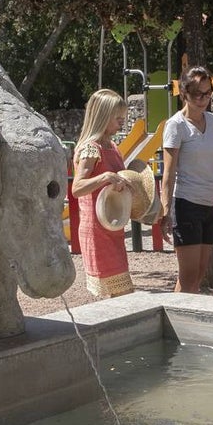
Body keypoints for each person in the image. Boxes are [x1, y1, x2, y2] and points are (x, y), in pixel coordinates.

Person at [160, 66, 213, 292]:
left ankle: (177, 316)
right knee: (188, 276)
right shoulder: (176, 126)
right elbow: (168, 174)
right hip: (186, 203)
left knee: (198, 273)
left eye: (208, 93)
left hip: (210, 204)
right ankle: (178, 320)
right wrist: (165, 211)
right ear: (184, 93)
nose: (204, 99)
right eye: (198, 94)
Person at [71, 89, 133, 298]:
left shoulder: (112, 146)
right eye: (117, 119)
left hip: (113, 224)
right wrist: (105, 177)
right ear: (103, 117)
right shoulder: (90, 148)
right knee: (121, 293)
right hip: (97, 230)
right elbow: (77, 188)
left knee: (121, 292)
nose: (121, 123)